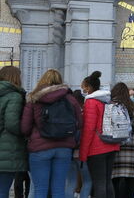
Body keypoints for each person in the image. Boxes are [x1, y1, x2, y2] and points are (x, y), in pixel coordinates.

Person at [21, 69, 82, 198]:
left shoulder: (34, 98)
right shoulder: (70, 99)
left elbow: (25, 128)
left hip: (39, 148)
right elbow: (80, 123)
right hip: (64, 147)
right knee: (59, 189)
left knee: (40, 189)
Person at [79, 71, 120, 198]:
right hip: (111, 145)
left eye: (84, 87)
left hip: (96, 149)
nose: (82, 89)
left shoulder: (91, 103)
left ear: (89, 87)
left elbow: (88, 130)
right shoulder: (107, 100)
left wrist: (83, 154)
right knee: (108, 182)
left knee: (99, 184)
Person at [110, 82, 134, 198]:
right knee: (131, 178)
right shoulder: (131, 106)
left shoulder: (109, 105)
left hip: (113, 145)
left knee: (115, 177)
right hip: (130, 145)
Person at [0, 66, 27, 198]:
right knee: (2, 190)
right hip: (8, 149)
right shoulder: (15, 96)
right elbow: (11, 123)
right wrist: (24, 131)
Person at [65, 90, 92, 198]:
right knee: (87, 181)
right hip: (81, 152)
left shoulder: (65, 113)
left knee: (71, 181)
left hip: (68, 151)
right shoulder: (83, 114)